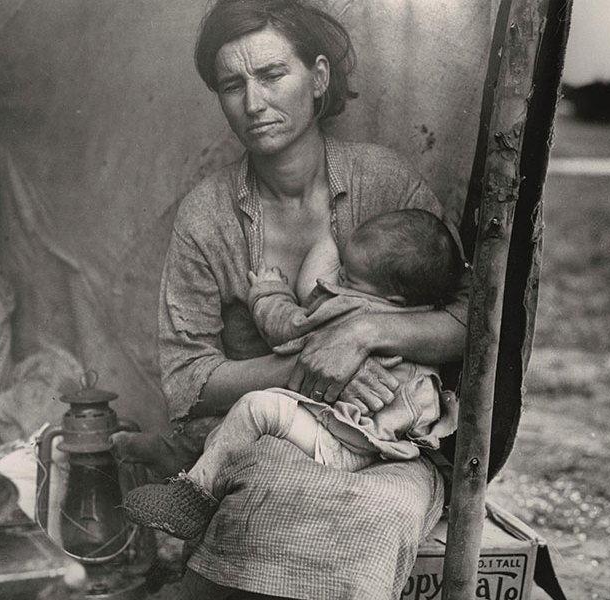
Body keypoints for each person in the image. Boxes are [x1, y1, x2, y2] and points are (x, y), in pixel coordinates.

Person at [112, 0, 470, 596]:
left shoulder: (385, 182)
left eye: (273, 75)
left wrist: (361, 335)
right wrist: (305, 369)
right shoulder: (207, 215)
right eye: (232, 84)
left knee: (375, 518)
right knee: (268, 499)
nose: (254, 103)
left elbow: (470, 322)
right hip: (269, 437)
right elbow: (187, 378)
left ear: (319, 78)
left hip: (391, 450)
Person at [123, 209, 464, 540]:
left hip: (349, 443)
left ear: (391, 295)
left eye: (348, 276)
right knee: (249, 428)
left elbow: (288, 327)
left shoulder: (352, 307)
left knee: (256, 409)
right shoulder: (419, 316)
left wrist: (269, 291)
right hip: (383, 439)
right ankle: (182, 458)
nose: (338, 277)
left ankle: (191, 501)